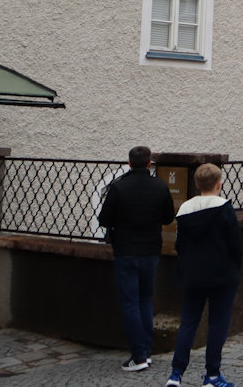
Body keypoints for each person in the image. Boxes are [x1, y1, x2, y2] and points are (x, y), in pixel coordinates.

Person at [99, 145, 177, 372]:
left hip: (126, 251)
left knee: (131, 303)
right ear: (149, 163)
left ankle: (139, 355)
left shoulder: (118, 187)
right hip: (151, 250)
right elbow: (167, 217)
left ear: (130, 163)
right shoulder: (160, 186)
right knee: (145, 300)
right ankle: (146, 351)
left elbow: (104, 219)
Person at [166, 163, 242, 387]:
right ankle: (212, 375)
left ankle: (176, 373)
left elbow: (180, 245)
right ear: (219, 184)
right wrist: (235, 269)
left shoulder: (185, 210)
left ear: (197, 184)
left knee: (188, 322)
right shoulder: (225, 209)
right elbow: (235, 246)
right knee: (218, 323)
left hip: (192, 274)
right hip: (221, 274)